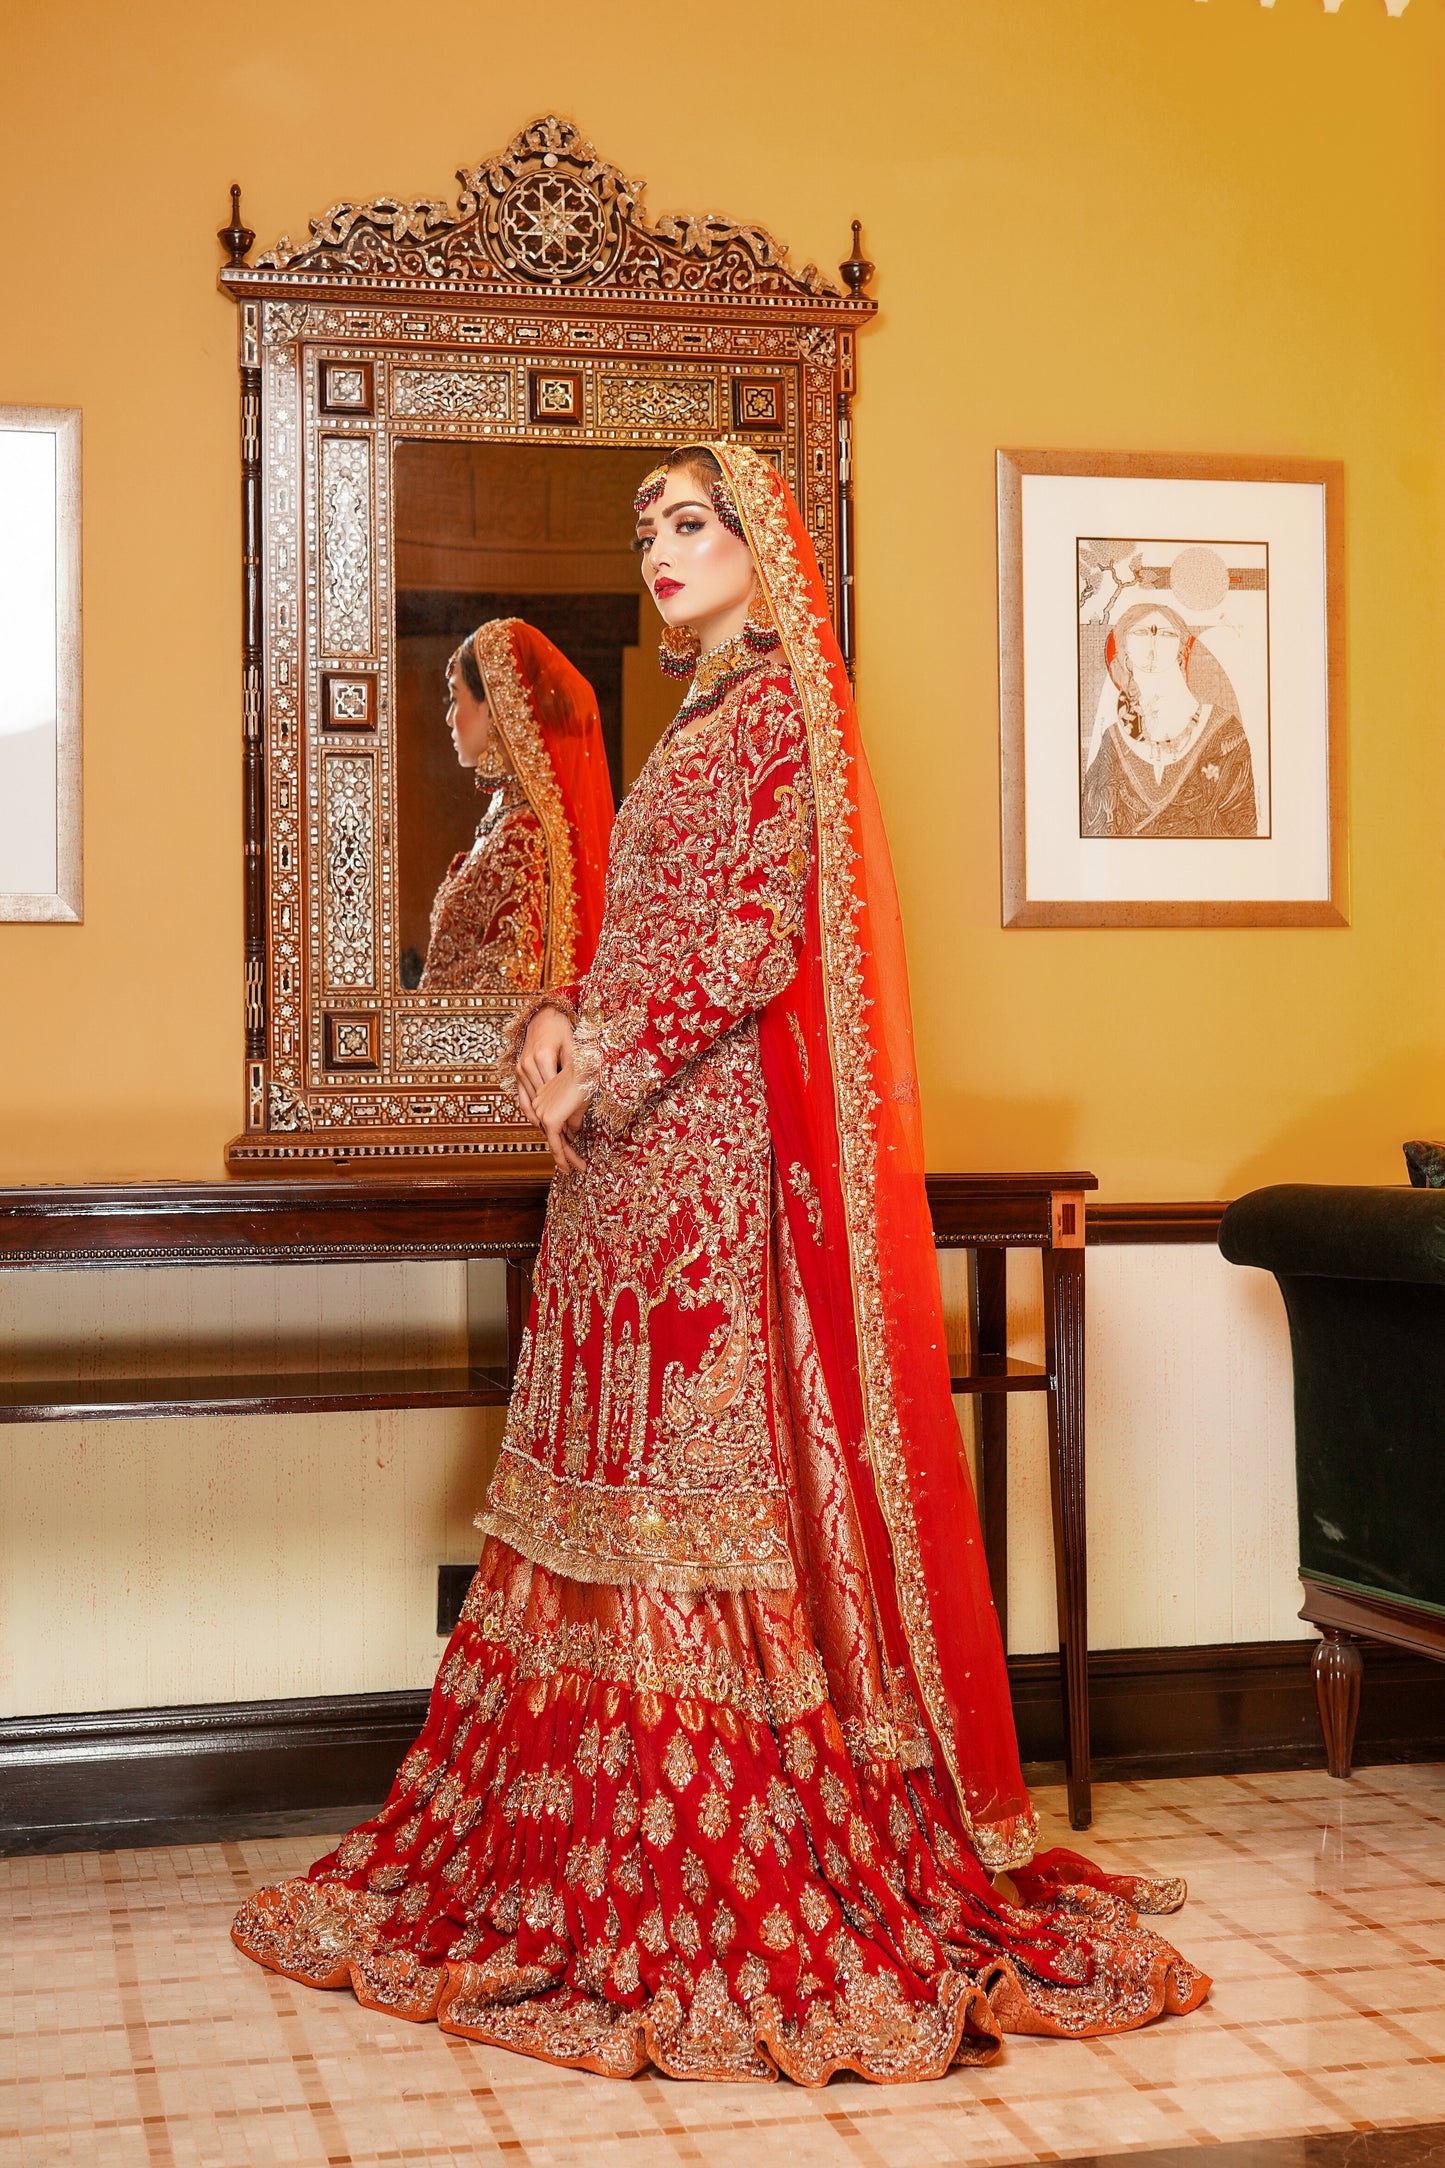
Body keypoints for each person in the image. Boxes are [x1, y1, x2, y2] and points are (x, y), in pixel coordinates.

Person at [234, 445, 1207, 2084]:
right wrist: (571, 1057)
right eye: (648, 530)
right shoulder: (693, 717)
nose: (663, 550)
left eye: (694, 523)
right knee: (599, 1482)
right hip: (624, 1160)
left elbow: (754, 940)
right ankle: (570, 1833)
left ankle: (712, 1826)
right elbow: (635, 934)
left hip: (701, 1162)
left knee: (699, 1482)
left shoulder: (774, 719)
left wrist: (596, 1055)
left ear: (763, 542)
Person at [419, 618, 613, 991]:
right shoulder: (505, 820)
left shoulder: (522, 835)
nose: (448, 718)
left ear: (493, 707)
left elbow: (511, 987)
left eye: (454, 697)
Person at [1082, 602, 1258, 839]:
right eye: (1140, 632)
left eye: (1166, 634)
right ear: (1124, 651)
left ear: (1182, 649)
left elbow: (1243, 830)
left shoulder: (1224, 732)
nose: (1153, 641)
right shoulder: (1113, 740)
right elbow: (1092, 828)